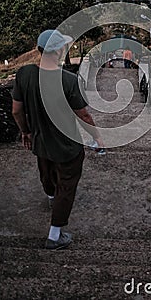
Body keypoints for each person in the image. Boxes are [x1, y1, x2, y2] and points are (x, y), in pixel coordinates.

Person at [12, 29, 104, 250]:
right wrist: (97, 137)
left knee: (46, 172)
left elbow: (16, 110)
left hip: (40, 141)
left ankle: (51, 197)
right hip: (67, 146)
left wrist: (25, 132)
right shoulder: (68, 81)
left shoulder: (24, 74)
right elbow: (83, 115)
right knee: (67, 186)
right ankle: (55, 235)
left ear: (39, 49)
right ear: (60, 50)